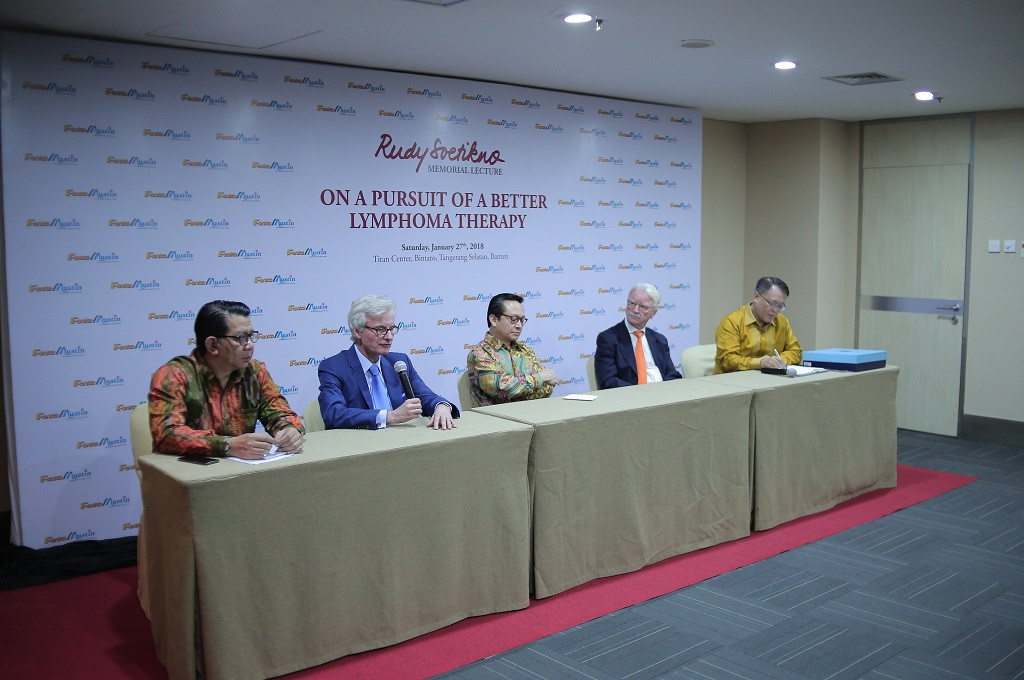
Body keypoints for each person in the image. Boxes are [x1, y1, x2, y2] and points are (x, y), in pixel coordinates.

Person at [148, 300, 304, 459]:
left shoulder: (255, 372)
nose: (249, 345)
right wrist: (227, 445)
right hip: (188, 474)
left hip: (240, 473)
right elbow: (167, 434)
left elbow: (280, 413)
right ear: (212, 345)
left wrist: (289, 431)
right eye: (241, 338)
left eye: (251, 336)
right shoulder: (175, 375)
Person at [318, 294, 459, 430]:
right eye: (380, 329)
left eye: (391, 329)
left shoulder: (399, 362)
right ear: (357, 331)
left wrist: (441, 406)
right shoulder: (334, 367)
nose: (389, 337)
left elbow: (425, 396)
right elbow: (333, 414)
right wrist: (389, 416)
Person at [466, 293, 557, 405]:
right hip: (496, 420)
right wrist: (540, 378)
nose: (519, 325)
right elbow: (502, 389)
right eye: (513, 319)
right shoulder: (480, 354)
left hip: (533, 415)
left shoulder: (526, 351)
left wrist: (521, 387)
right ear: (494, 319)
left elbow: (547, 388)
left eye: (522, 320)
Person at [594, 283, 682, 388]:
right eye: (632, 303)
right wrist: (641, 394)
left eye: (643, 307)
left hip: (662, 395)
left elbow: (672, 374)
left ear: (653, 313)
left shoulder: (659, 340)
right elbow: (608, 381)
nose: (635, 310)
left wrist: (662, 391)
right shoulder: (608, 339)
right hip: (631, 398)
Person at [714, 275, 802, 373]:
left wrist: (778, 361)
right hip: (733, 382)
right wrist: (760, 363)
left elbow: (796, 351)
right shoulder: (732, 321)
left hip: (769, 381)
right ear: (756, 297)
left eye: (780, 306)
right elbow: (727, 360)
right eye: (772, 303)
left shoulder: (781, 321)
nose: (775, 310)